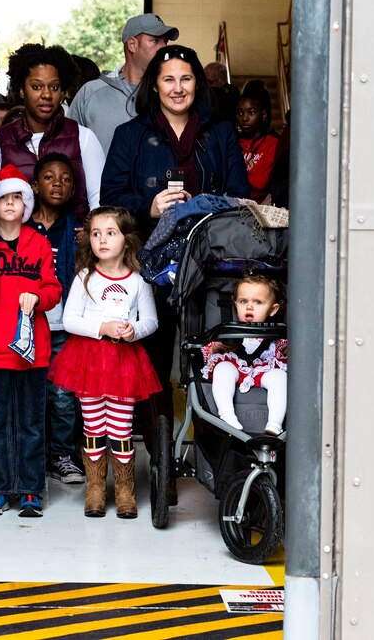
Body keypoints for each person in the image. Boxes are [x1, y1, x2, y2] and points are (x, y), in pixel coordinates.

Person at [100, 43, 249, 506]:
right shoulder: (130, 134)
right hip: (152, 264)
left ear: (196, 84)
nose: (178, 88)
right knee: (152, 361)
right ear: (154, 85)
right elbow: (109, 196)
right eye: (168, 79)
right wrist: (148, 207)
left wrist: (209, 206)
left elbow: (243, 196)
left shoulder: (219, 132)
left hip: (212, 266)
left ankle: (217, 463)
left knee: (215, 358)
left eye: (186, 79)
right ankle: (163, 462)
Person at [48, 206, 161, 518]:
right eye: (96, 234)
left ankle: (124, 490)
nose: (102, 240)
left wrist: (133, 330)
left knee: (121, 428)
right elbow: (70, 320)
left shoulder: (138, 281)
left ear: (126, 239)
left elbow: (151, 321)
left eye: (110, 233)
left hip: (125, 361)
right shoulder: (85, 277)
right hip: (88, 361)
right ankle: (95, 488)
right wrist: (101, 328)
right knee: (93, 426)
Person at [0, 165, 62, 519]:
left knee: (30, 423)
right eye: (4, 198)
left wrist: (37, 297)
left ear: (26, 203)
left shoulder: (38, 243)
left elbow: (54, 288)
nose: (11, 203)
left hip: (33, 351)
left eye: (17, 198)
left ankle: (29, 490)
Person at [0, 43, 106, 216]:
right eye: (36, 87)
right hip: (17, 241)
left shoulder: (83, 137)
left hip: (73, 240)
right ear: (21, 90)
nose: (47, 95)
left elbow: (99, 202)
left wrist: (89, 231)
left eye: (54, 87)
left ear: (63, 91)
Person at [27, 154, 84, 485]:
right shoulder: (20, 228)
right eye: (49, 177)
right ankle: (34, 456)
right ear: (35, 185)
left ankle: (62, 455)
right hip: (31, 326)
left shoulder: (77, 230)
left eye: (65, 179)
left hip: (65, 326)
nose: (57, 183)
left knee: (63, 396)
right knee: (33, 393)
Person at [69, 14, 179, 155]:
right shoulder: (91, 92)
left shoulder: (170, 94)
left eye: (165, 42)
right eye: (155, 40)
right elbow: (68, 145)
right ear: (132, 45)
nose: (164, 48)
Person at [202, 272, 287, 435]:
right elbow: (205, 355)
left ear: (273, 309)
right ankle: (227, 415)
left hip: (265, 371)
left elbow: (287, 359)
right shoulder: (227, 334)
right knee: (222, 368)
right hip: (236, 369)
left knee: (280, 377)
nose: (249, 307)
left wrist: (289, 351)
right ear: (235, 304)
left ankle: (275, 424)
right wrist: (214, 349)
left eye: (258, 302)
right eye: (243, 301)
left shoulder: (277, 338)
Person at [235, 81, 279, 202]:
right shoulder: (232, 142)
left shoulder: (273, 144)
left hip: (263, 206)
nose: (244, 118)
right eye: (240, 113)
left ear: (263, 115)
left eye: (252, 112)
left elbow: (261, 182)